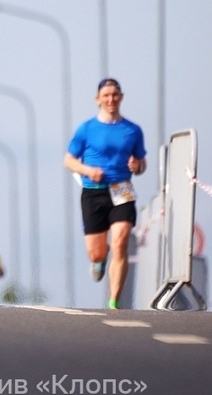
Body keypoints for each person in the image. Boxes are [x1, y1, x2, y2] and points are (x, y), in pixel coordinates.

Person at [63, 78, 146, 310]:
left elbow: (141, 162)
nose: (111, 99)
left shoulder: (132, 130)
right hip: (93, 192)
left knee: (120, 243)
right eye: (106, 95)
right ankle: (99, 261)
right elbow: (68, 160)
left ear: (121, 97)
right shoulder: (87, 128)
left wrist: (137, 166)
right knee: (96, 252)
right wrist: (87, 170)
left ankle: (114, 301)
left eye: (115, 95)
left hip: (122, 189)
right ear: (98, 99)